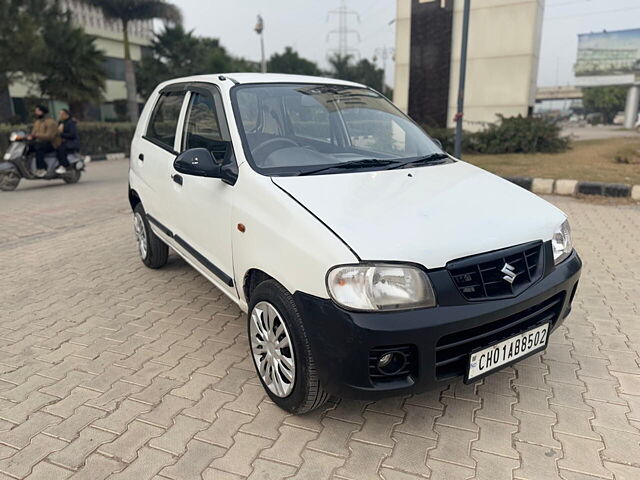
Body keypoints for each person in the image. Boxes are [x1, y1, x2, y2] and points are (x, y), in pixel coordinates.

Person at [27, 105, 60, 177]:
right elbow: (33, 133)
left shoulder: (51, 122)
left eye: (37, 111)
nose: (35, 112)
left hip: (52, 143)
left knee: (39, 148)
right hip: (41, 142)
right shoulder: (37, 122)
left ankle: (41, 169)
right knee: (27, 147)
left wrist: (36, 135)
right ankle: (29, 167)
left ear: (42, 112)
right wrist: (29, 137)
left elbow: (50, 136)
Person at [55, 109, 79, 174]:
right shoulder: (60, 122)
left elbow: (72, 134)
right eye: (59, 114)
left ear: (67, 115)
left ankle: (64, 166)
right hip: (62, 141)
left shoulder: (71, 122)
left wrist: (61, 134)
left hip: (71, 142)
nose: (60, 115)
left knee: (60, 149)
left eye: (62, 114)